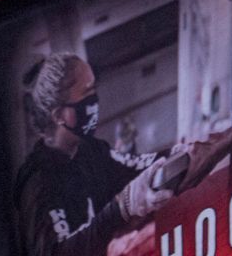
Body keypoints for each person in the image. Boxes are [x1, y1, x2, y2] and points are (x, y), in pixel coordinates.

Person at [14, 53, 182, 256]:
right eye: (87, 93)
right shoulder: (38, 183)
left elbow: (134, 167)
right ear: (59, 115)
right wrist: (120, 209)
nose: (94, 101)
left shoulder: (91, 151)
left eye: (95, 89)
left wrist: (179, 153)